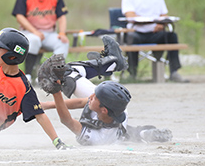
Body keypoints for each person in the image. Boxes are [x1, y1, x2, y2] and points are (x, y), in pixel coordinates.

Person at [38, 37, 172, 146]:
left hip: (113, 131)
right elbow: (81, 102)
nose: (91, 96)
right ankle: (110, 63)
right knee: (65, 74)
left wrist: (56, 92)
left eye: (95, 97)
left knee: (67, 75)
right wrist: (47, 105)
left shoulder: (96, 137)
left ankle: (107, 64)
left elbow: (66, 120)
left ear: (104, 110)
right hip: (115, 126)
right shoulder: (113, 106)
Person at [121, 0, 188, 82]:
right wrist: (151, 20)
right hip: (136, 32)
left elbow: (164, 15)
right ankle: (132, 74)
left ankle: (174, 72)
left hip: (155, 32)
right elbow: (130, 16)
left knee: (172, 36)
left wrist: (161, 24)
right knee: (132, 38)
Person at [12, 0, 69, 83]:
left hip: (49, 33)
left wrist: (62, 33)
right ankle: (28, 74)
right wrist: (34, 31)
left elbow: (62, 17)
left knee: (63, 42)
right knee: (34, 40)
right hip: (30, 32)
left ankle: (50, 74)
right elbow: (19, 16)